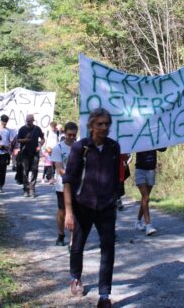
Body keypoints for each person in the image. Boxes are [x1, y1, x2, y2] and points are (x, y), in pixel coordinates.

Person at [63, 108, 121, 308]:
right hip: (83, 206)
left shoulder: (114, 147)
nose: (104, 127)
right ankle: (75, 278)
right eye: (100, 124)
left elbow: (116, 176)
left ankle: (104, 295)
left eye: (107, 124)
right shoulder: (81, 148)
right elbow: (68, 180)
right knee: (78, 245)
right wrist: (69, 212)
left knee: (108, 249)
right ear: (91, 126)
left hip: (106, 207)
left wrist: (114, 199)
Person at [51, 121, 78, 246]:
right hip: (62, 186)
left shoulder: (79, 147)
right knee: (62, 211)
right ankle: (61, 234)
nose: (72, 137)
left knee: (76, 212)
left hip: (77, 186)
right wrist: (69, 177)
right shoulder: (58, 148)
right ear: (65, 134)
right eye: (69, 135)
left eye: (74, 135)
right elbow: (59, 168)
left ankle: (73, 241)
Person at [133, 147, 166, 236]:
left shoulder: (154, 137)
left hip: (151, 170)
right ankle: (148, 226)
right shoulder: (140, 137)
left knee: (145, 199)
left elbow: (163, 149)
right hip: (140, 170)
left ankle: (138, 221)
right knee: (146, 197)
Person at [16, 114, 45, 198]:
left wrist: (40, 146)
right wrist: (25, 140)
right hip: (25, 153)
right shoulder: (22, 129)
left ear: (33, 120)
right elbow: (18, 139)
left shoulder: (37, 129)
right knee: (25, 171)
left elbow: (42, 138)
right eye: (27, 121)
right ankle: (26, 189)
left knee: (35, 170)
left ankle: (32, 188)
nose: (28, 122)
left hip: (35, 153)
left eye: (29, 121)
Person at [0, 114, 16, 193]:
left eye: (6, 122)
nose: (4, 124)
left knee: (3, 171)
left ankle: (0, 186)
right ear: (1, 121)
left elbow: (11, 141)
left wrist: (9, 147)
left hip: (4, 153)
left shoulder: (8, 131)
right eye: (3, 122)